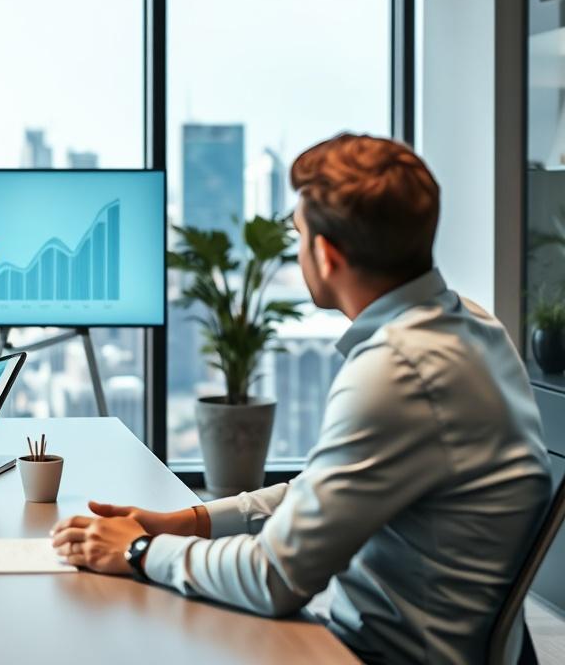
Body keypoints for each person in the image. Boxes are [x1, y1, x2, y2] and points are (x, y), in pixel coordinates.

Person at [52, 134, 552, 664]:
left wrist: (136, 551)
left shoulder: (397, 370)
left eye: (298, 235)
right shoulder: (472, 324)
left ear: (325, 253)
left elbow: (275, 578)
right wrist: (186, 522)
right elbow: (324, 490)